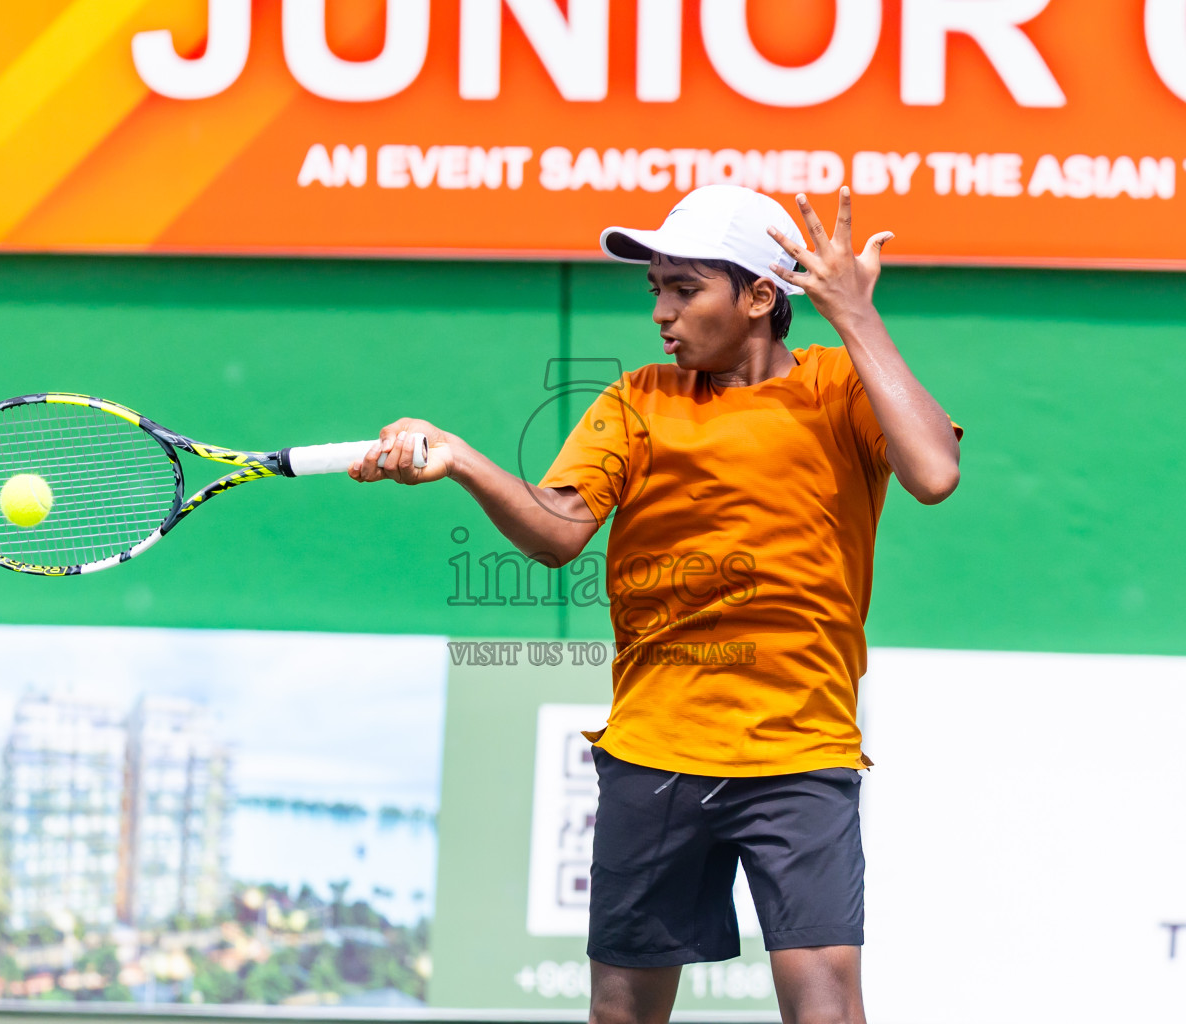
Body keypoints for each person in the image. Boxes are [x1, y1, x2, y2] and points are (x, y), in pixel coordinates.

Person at [353, 184, 962, 1024]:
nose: (662, 314)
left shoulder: (838, 387)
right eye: (656, 291)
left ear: (758, 296)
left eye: (685, 289)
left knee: (826, 1005)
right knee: (622, 1012)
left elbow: (933, 474)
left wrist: (854, 316)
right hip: (656, 749)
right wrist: (461, 460)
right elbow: (560, 529)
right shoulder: (635, 401)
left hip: (800, 752)